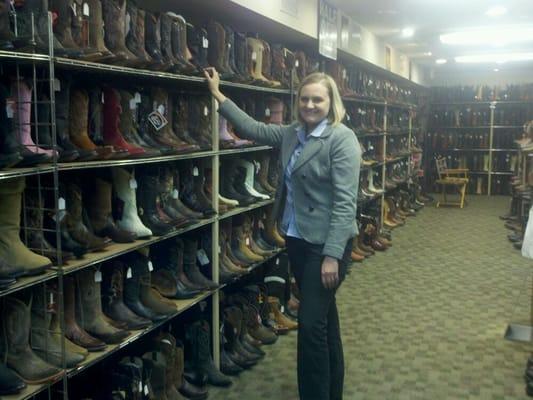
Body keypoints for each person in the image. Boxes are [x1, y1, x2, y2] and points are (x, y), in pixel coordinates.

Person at [204, 67, 361, 400]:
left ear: (331, 101)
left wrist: (333, 255)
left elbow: (346, 204)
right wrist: (218, 95)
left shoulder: (341, 139)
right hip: (298, 240)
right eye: (304, 98)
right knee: (324, 321)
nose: (310, 105)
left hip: (327, 246)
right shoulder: (293, 133)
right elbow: (254, 129)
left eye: (317, 99)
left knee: (309, 326)